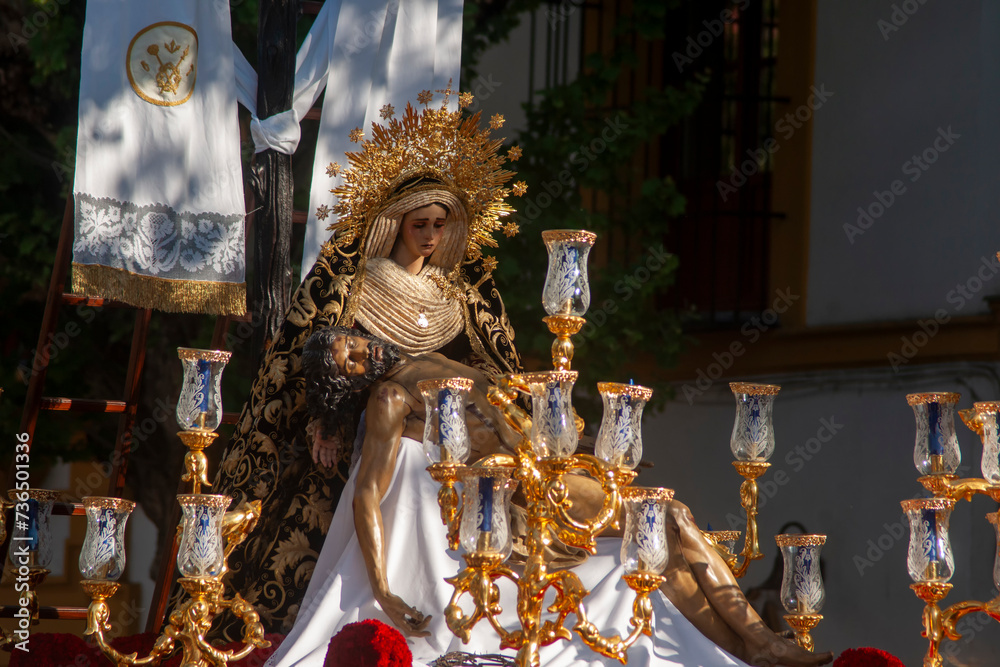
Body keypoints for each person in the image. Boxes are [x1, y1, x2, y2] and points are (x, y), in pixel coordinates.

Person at [265, 327, 833, 667]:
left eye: (354, 344)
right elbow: (368, 495)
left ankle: (753, 645)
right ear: (352, 386)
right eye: (351, 364)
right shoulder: (389, 398)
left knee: (672, 519)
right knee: (665, 521)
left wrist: (583, 444)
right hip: (514, 502)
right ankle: (757, 645)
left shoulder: (439, 359)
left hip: (546, 469)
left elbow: (517, 418)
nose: (363, 354)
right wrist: (385, 591)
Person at [209, 91, 524, 639]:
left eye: (440, 224)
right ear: (397, 223)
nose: (430, 234)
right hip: (367, 437)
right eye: (419, 222)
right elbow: (311, 356)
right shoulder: (354, 281)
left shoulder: (463, 295)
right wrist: (324, 419)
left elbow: (497, 372)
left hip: (447, 447)